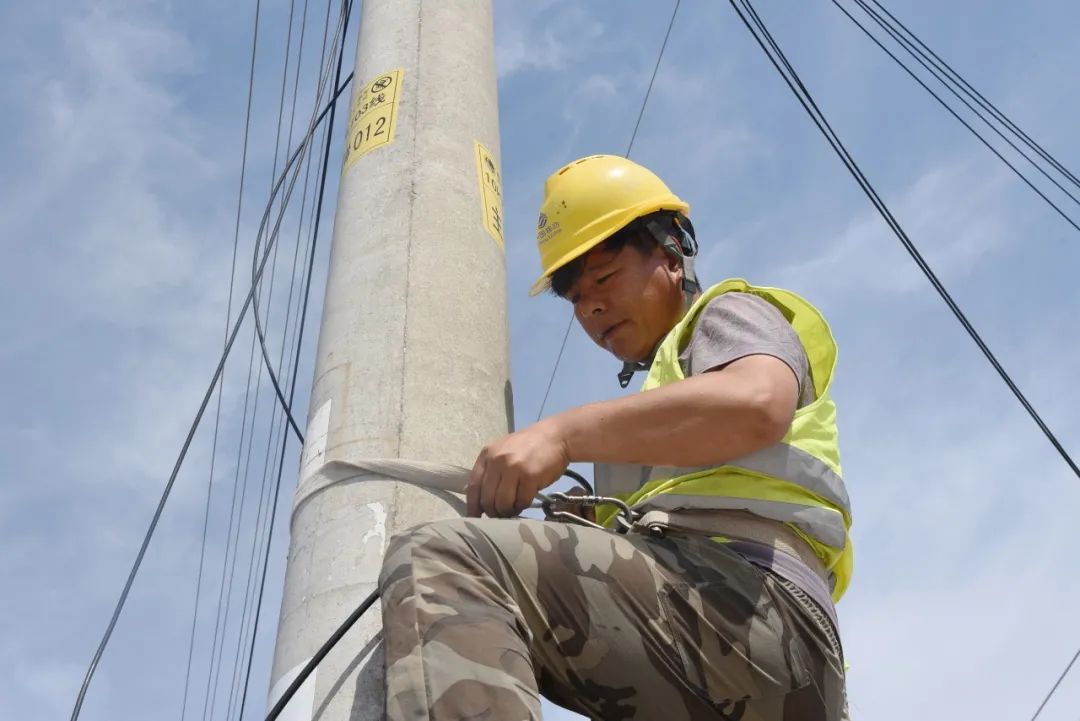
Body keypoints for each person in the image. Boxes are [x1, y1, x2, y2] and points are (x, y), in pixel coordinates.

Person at [379, 155, 852, 720]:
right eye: (576, 299)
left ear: (672, 253)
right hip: (755, 657)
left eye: (603, 278)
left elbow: (756, 404)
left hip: (751, 603)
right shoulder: (653, 425)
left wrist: (560, 435)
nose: (592, 306)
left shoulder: (727, 316)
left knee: (445, 555)